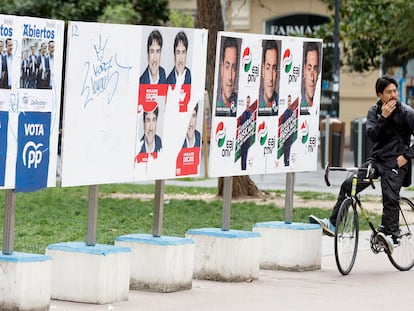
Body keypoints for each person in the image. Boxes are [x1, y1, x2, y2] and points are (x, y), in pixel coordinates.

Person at [309, 76, 414, 254]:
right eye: (389, 92)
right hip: (377, 160)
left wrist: (407, 156)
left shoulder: (407, 112)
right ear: (380, 94)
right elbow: (372, 135)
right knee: (349, 184)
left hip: (397, 162)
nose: (393, 95)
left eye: (395, 91)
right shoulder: (374, 112)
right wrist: (383, 117)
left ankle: (393, 236)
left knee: (389, 195)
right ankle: (333, 224)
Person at [215, 36, 238, 116]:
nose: (230, 77)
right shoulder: (213, 105)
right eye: (227, 67)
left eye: (234, 68)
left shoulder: (241, 107)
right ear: (222, 68)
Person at [259, 40, 279, 116]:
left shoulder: (282, 106)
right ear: (263, 70)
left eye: (274, 69)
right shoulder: (253, 105)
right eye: (268, 68)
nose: (271, 78)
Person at [300, 42, 320, 115]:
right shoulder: (298, 104)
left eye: (315, 69)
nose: (312, 78)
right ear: (304, 70)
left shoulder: (318, 104)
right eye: (309, 68)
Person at [282, 94, 297, 166]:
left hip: (290, 134)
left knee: (289, 148)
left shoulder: (292, 112)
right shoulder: (283, 112)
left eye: (290, 101)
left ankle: (287, 162)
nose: (289, 103)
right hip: (284, 134)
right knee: (285, 148)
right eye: (288, 101)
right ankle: (285, 162)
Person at [240, 95, 253, 170]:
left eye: (248, 102)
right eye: (246, 102)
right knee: (243, 154)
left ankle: (244, 169)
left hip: (247, 137)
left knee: (245, 154)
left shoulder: (250, 114)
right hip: (242, 137)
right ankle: (243, 168)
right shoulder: (243, 114)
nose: (247, 104)